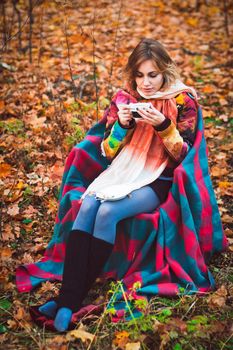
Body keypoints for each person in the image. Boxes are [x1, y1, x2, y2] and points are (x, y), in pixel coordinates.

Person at [36, 38, 200, 331]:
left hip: (158, 179)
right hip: (121, 173)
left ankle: (66, 302)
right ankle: (69, 300)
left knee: (108, 212)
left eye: (152, 74)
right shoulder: (125, 98)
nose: (145, 83)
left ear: (165, 71)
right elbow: (107, 152)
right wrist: (122, 126)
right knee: (88, 206)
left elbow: (184, 157)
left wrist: (163, 125)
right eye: (139, 75)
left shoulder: (182, 100)